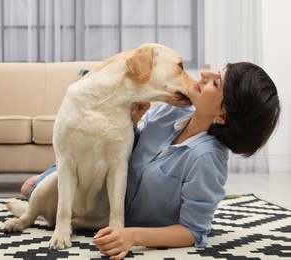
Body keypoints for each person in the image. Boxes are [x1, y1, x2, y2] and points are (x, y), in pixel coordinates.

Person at [20, 62, 280, 259]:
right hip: (105, 192)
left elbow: (193, 231)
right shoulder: (174, 109)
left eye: (216, 83)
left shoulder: (207, 159)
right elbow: (133, 148)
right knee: (33, 188)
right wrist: (132, 123)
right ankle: (48, 176)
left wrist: (131, 236)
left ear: (223, 115)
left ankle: (44, 181)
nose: (205, 75)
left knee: (31, 190)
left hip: (120, 216)